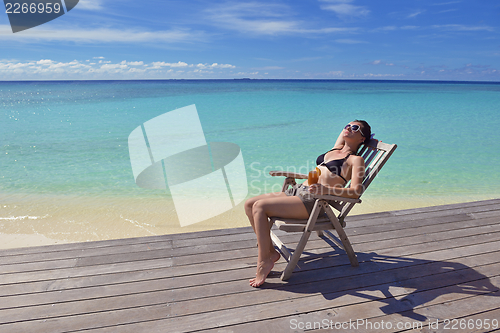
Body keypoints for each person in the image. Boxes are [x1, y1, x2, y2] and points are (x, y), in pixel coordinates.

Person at [244, 120, 371, 287]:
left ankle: (263, 262)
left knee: (260, 207)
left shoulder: (355, 160)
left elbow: (355, 192)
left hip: (313, 202)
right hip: (297, 191)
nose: (348, 128)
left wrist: (325, 190)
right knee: (249, 204)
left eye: (355, 128)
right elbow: (344, 133)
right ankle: (271, 252)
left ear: (362, 138)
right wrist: (357, 131)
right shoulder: (335, 149)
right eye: (347, 125)